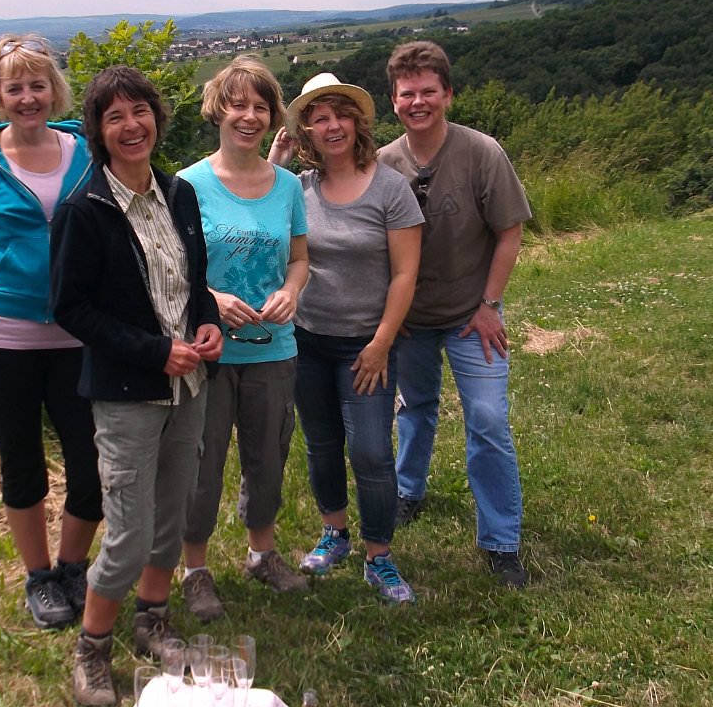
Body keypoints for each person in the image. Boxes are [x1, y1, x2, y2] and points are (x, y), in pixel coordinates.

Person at [50, 65, 223, 707]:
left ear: (157, 117)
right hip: (128, 393)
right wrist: (156, 352)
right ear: (97, 130)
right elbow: (70, 308)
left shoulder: (178, 195)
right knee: (126, 532)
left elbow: (195, 283)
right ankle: (92, 648)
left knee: (170, 516)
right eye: (114, 116)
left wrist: (207, 327)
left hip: (190, 385)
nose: (131, 125)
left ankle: (152, 618)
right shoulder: (85, 211)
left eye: (140, 111)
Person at [0, 33, 101, 631]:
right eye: (15, 88)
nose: (28, 97)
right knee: (22, 460)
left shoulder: (85, 152)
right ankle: (40, 578)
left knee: (92, 463)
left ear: (53, 89)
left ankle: (73, 565)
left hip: (79, 335)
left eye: (37, 85)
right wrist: (6, 294)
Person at [378, 40, 533, 589]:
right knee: (414, 407)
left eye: (428, 91)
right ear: (393, 101)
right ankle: (407, 492)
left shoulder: (480, 152)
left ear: (447, 94)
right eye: (407, 93)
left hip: (472, 314)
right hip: (412, 319)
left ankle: (501, 543)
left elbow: (509, 231)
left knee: (487, 419)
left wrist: (490, 305)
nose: (418, 101)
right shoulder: (384, 164)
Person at [269, 73, 422, 604]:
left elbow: (405, 274)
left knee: (373, 451)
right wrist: (278, 156)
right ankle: (335, 533)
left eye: (341, 114)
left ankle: (379, 556)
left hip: (367, 345)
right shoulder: (296, 189)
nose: (332, 125)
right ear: (306, 129)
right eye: (318, 116)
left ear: (357, 122)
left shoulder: (390, 188)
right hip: (307, 339)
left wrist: (382, 342)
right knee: (322, 442)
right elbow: (251, 205)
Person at [177, 55, 310, 623]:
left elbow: (300, 258)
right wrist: (211, 298)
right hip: (207, 354)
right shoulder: (187, 184)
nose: (248, 116)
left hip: (274, 349)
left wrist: (292, 291)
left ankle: (262, 555)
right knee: (201, 464)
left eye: (260, 106)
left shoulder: (287, 186)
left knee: (267, 456)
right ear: (218, 111)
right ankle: (195, 572)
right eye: (237, 105)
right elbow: (173, 267)